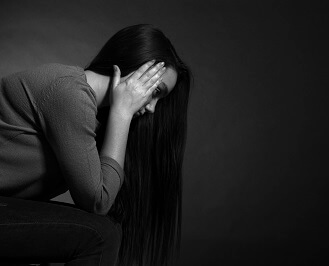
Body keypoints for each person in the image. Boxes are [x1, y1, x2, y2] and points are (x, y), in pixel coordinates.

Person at [0, 24, 192, 266]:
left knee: (104, 229)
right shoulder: (69, 93)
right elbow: (97, 201)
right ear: (132, 70)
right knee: (100, 235)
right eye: (154, 91)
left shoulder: (93, 115)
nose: (152, 107)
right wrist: (122, 112)